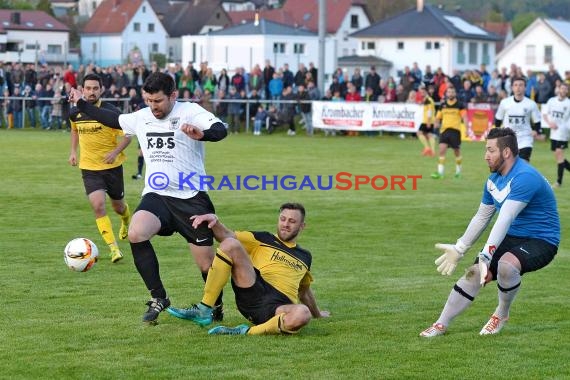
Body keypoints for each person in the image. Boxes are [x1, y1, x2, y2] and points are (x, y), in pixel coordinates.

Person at [68, 71, 228, 325]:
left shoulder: (191, 112)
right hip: (157, 195)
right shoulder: (142, 117)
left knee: (206, 265)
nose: (153, 107)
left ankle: (215, 306)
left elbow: (220, 130)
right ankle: (159, 297)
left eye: (158, 101)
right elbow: (110, 117)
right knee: (136, 233)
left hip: (192, 197)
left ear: (173, 95)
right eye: (149, 101)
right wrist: (80, 103)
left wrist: (202, 134)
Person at [420, 127, 559, 337]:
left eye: (490, 150)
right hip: (513, 236)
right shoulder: (493, 179)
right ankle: (441, 324)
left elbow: (506, 217)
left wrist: (486, 254)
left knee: (506, 265)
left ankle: (501, 314)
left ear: (506, 153)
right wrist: (460, 248)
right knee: (475, 273)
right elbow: (482, 216)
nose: (485, 156)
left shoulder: (525, 176)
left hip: (542, 239)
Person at [167, 203, 330, 335]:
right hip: (255, 292)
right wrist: (214, 220)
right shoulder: (263, 238)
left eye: (292, 221)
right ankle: (204, 309)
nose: (285, 224)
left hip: (279, 308)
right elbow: (226, 235)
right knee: (230, 244)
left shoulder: (305, 256)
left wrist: (317, 313)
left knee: (302, 314)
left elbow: (304, 290)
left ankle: (244, 331)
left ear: (302, 226)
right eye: (283, 219)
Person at [68, 73, 132, 263]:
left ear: (101, 90)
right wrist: (73, 151)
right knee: (98, 205)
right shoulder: (75, 112)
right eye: (88, 88)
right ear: (82, 89)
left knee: (119, 207)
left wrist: (114, 152)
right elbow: (74, 130)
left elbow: (128, 135)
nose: (91, 92)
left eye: (95, 88)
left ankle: (126, 220)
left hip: (112, 167)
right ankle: (113, 249)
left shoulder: (111, 112)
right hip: (89, 167)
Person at [494, 77, 542, 161]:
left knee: (523, 165)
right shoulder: (505, 102)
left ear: (525, 87)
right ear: (512, 87)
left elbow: (537, 121)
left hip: (525, 138)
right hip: (508, 138)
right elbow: (498, 119)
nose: (518, 87)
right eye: (515, 85)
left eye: (521, 85)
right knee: (509, 166)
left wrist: (536, 130)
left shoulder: (531, 104)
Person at [431, 86, 467, 179]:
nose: (450, 94)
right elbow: (438, 117)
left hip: (455, 131)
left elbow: (465, 117)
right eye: (449, 92)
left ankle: (458, 171)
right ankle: (440, 173)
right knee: (442, 150)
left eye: (452, 92)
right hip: (444, 131)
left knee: (456, 152)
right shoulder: (442, 105)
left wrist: (466, 129)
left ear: (455, 94)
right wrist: (436, 124)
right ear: (446, 94)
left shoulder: (460, 105)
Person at [543, 82, 570, 188]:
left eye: (566, 89)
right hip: (553, 133)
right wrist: (550, 123)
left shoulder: (568, 103)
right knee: (559, 157)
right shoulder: (551, 101)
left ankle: (558, 182)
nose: (563, 91)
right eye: (562, 88)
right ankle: (559, 181)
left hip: (563, 132)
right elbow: (545, 114)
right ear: (558, 89)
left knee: (559, 154)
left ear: (567, 91)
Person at [417, 85, 436, 156]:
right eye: (420, 92)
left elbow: (429, 111)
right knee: (429, 135)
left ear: (426, 92)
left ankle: (427, 148)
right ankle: (433, 152)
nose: (421, 94)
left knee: (419, 133)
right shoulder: (428, 99)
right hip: (430, 120)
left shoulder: (428, 100)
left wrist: (428, 121)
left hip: (427, 120)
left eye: (423, 92)